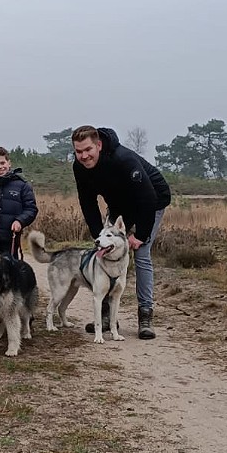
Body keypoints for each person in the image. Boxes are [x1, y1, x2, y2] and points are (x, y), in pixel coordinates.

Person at [71, 126, 171, 339]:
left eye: (88, 149)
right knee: (104, 252)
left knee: (141, 253)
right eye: (78, 151)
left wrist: (140, 235)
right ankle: (106, 316)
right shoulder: (79, 167)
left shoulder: (123, 159)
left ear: (98, 145)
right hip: (119, 205)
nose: (84, 156)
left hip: (151, 200)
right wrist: (99, 235)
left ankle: (145, 316)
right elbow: (87, 202)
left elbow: (148, 198)